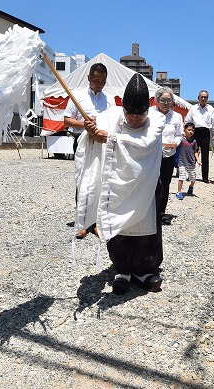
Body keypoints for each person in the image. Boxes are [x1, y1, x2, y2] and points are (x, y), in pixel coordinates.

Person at [75, 73, 166, 295]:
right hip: (117, 183)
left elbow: (145, 144)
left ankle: (144, 270)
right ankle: (123, 269)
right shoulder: (111, 115)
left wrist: (110, 138)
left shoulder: (157, 120)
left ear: (148, 110)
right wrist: (91, 131)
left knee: (145, 227)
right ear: (123, 108)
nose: (135, 119)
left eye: (140, 115)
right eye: (130, 114)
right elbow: (97, 131)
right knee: (119, 227)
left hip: (145, 182)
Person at [63, 62, 114, 154]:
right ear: (89, 78)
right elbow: (67, 120)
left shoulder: (110, 99)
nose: (100, 84)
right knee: (81, 168)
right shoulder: (76, 96)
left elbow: (113, 122)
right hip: (82, 140)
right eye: (96, 81)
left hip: (102, 142)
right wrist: (84, 124)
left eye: (103, 81)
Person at [153, 86, 183, 225]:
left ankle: (161, 212)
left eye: (168, 100)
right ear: (157, 100)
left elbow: (179, 134)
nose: (166, 103)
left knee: (165, 183)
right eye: (163, 100)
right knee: (151, 184)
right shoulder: (150, 114)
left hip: (168, 154)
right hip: (152, 155)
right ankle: (149, 213)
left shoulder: (177, 116)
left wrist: (175, 142)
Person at [184, 90, 214, 183]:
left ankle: (205, 177)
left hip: (205, 133)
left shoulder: (211, 109)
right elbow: (187, 120)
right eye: (202, 97)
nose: (203, 98)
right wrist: (188, 132)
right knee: (192, 154)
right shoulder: (193, 108)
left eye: (205, 97)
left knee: (205, 155)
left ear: (207, 99)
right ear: (198, 98)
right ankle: (191, 175)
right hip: (195, 132)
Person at [176, 122, 201, 200]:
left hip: (191, 162)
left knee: (193, 178)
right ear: (184, 130)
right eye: (189, 130)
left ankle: (191, 187)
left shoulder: (194, 141)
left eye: (192, 130)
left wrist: (198, 160)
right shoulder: (181, 140)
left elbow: (195, 151)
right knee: (182, 177)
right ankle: (179, 192)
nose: (191, 132)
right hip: (182, 161)